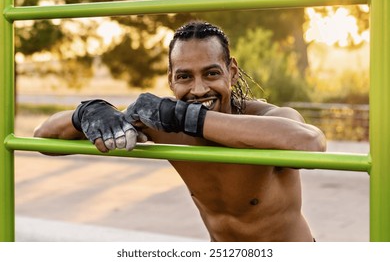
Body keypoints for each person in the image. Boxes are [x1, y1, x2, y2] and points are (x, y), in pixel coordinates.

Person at [34, 21, 326, 242]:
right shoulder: (165, 122)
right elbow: (42, 139)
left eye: (211, 73)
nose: (199, 89)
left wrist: (188, 116)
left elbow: (310, 142)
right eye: (184, 77)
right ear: (171, 81)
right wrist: (87, 112)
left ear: (232, 73)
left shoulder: (267, 120)